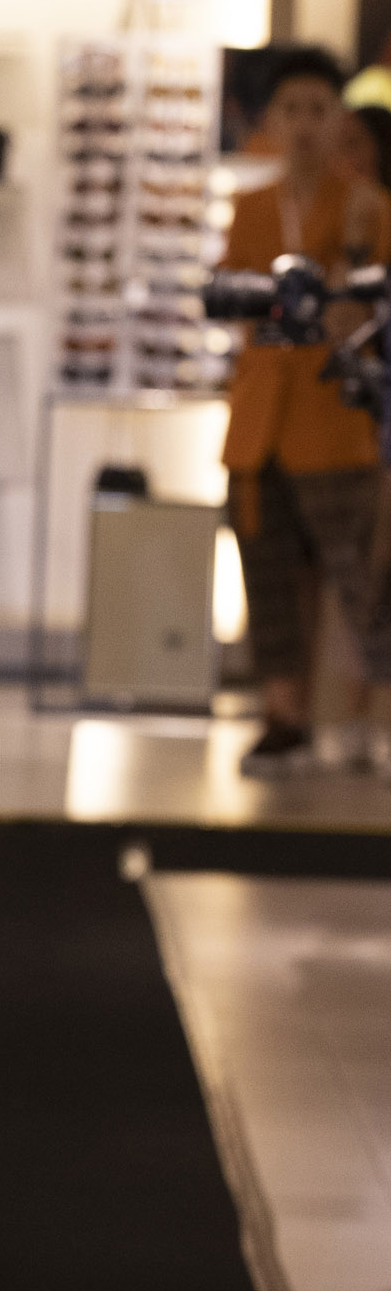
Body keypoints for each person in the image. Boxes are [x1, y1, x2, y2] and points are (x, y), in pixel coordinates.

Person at [221, 46, 391, 777]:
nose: (304, 124)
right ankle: (282, 719)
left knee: (363, 582)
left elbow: (367, 310)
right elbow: (231, 297)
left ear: (338, 119)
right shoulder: (253, 208)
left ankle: (372, 717)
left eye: (318, 110)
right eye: (291, 110)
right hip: (260, 424)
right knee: (268, 579)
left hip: (336, 420)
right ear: (272, 120)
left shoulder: (368, 207)